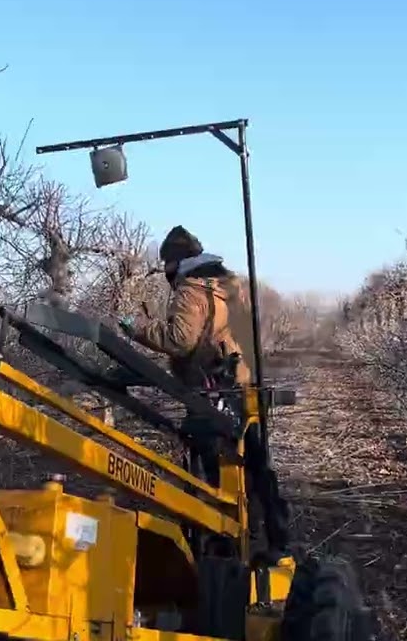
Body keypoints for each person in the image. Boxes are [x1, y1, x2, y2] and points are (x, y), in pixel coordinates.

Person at [118, 225, 291, 558]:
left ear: (174, 262)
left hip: (210, 388)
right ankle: (273, 537)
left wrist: (136, 328)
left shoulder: (190, 289)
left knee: (214, 466)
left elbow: (180, 340)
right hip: (240, 382)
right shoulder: (229, 283)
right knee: (254, 460)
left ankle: (221, 544)